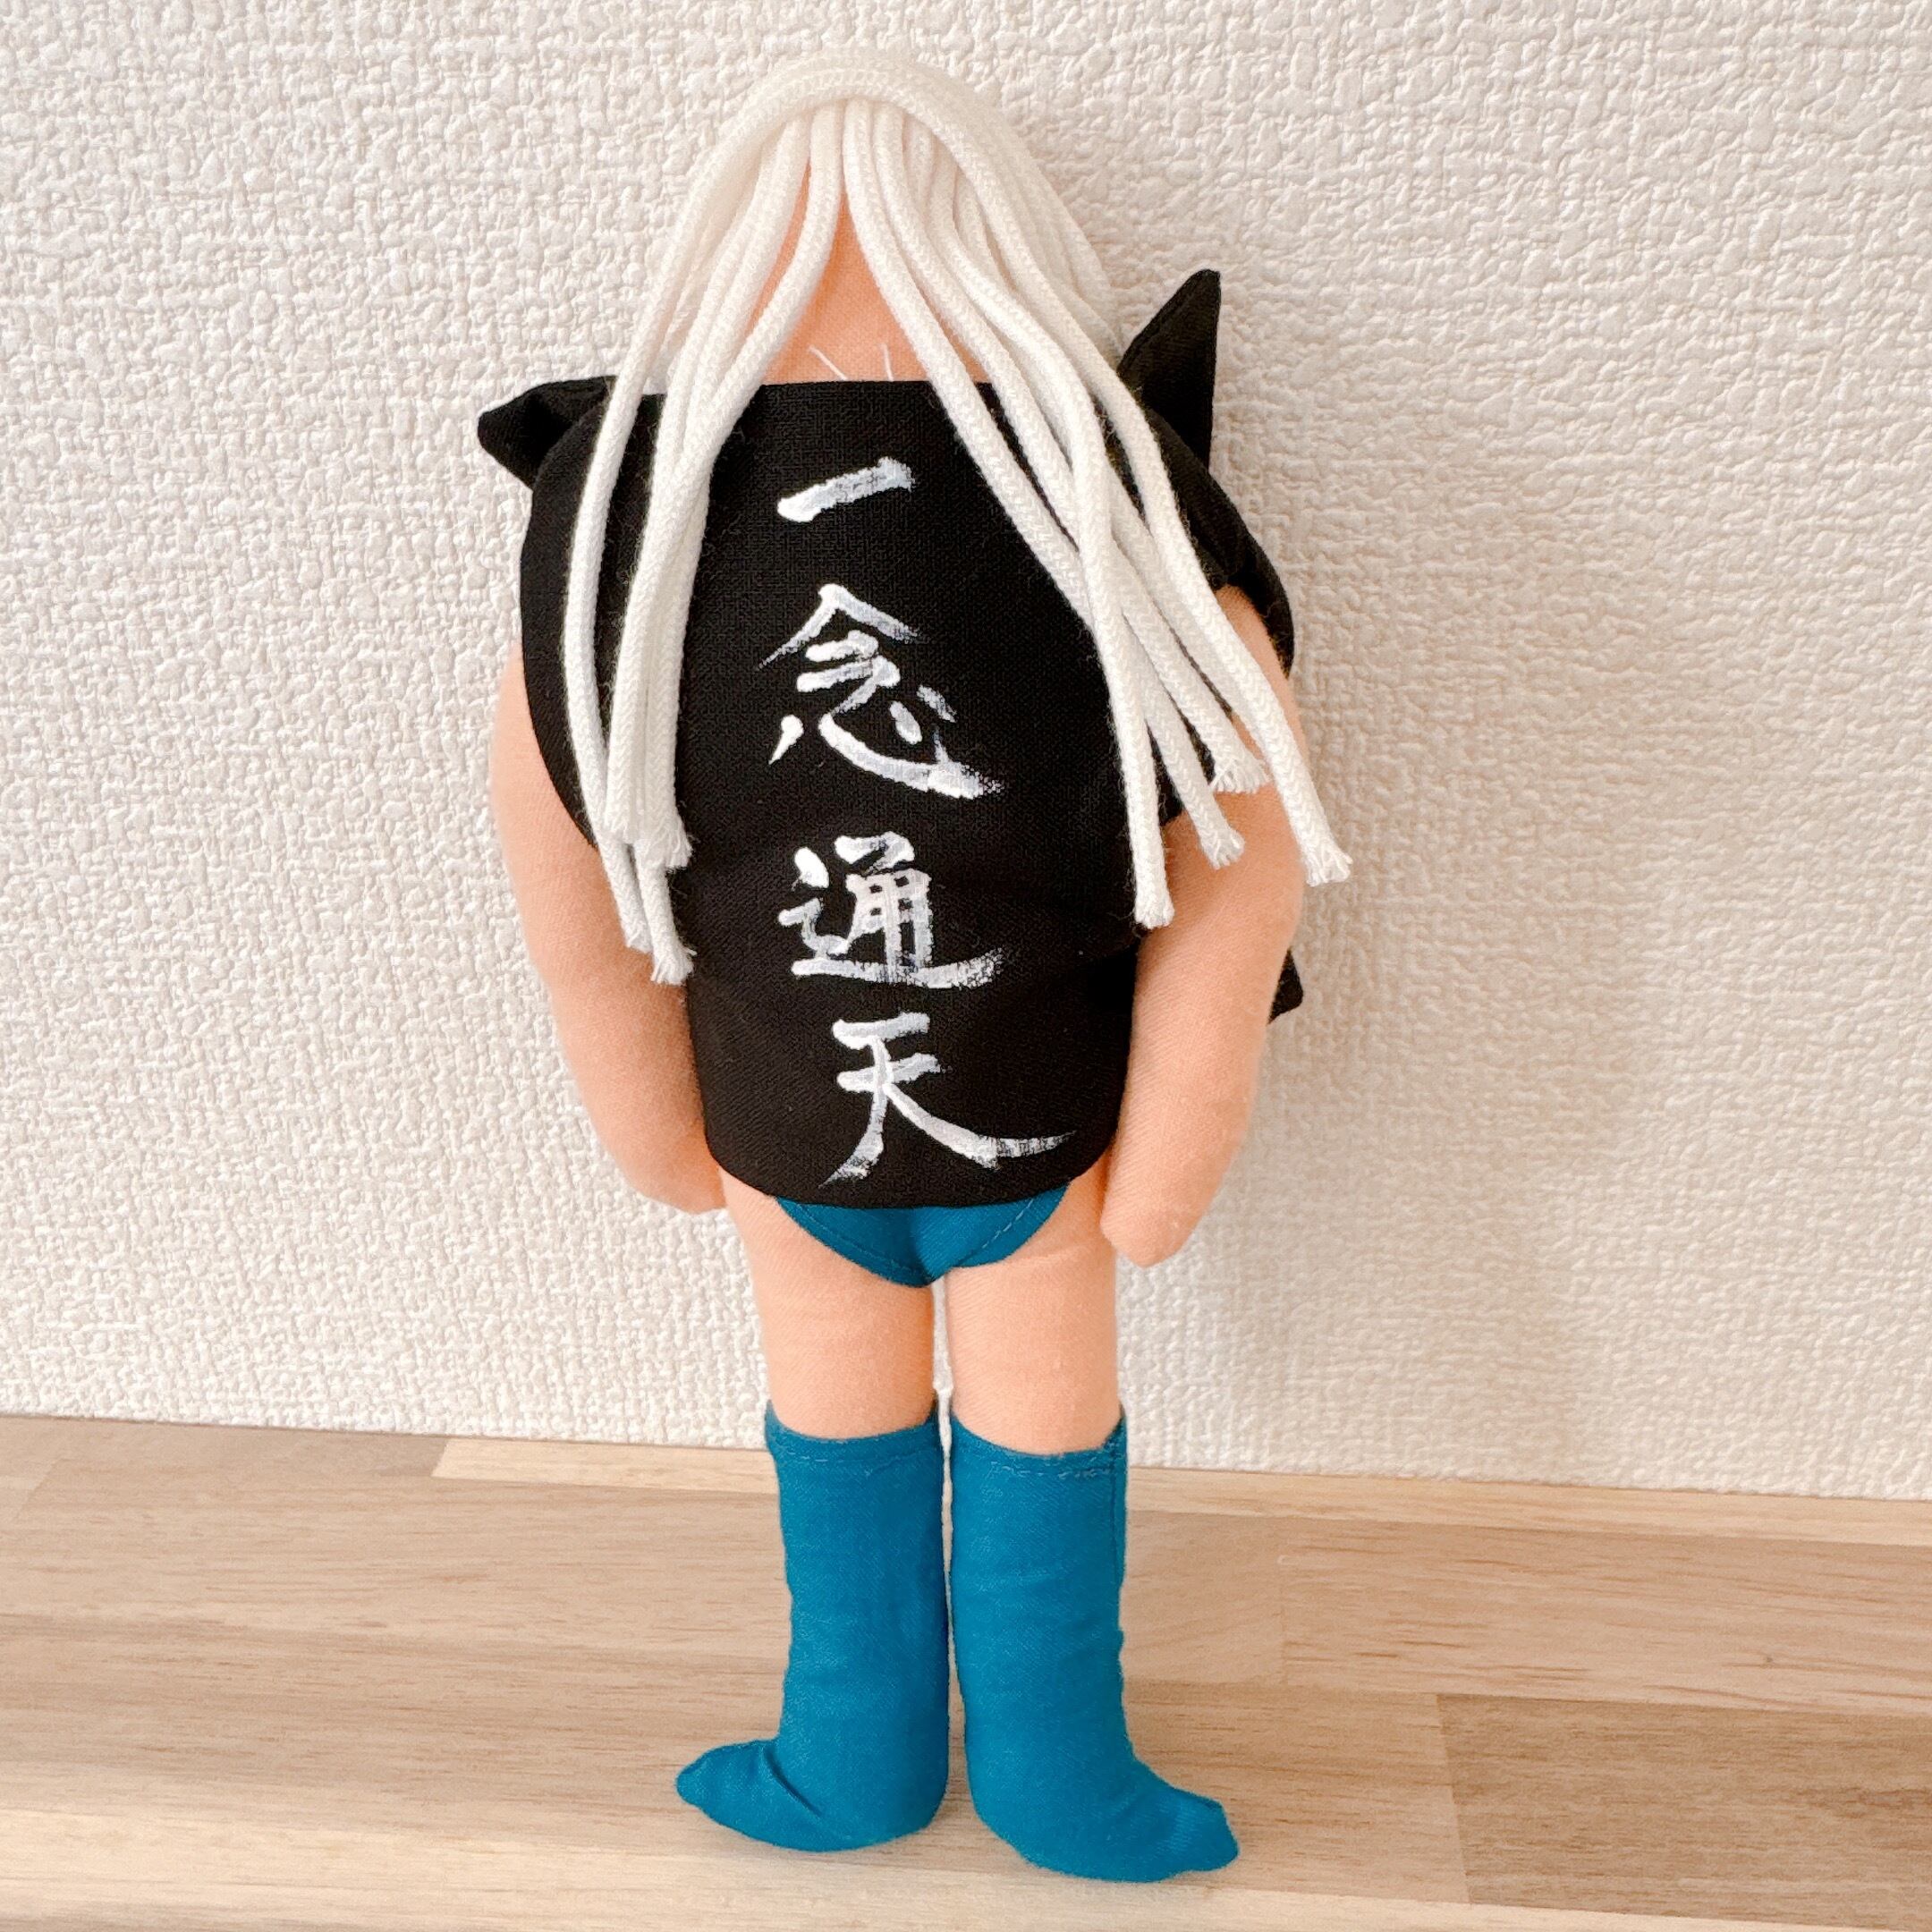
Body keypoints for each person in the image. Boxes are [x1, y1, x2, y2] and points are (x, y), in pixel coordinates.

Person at [480, 49, 1346, 1884]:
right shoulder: (1092, 496)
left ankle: (861, 1758)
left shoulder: (637, 530)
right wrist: (1180, 1128)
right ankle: (1040, 1771)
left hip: (803, 1124)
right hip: (1022, 1134)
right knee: (1030, 1419)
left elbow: (565, 867)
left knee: (846, 1416)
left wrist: (649, 1110)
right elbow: (1244, 841)